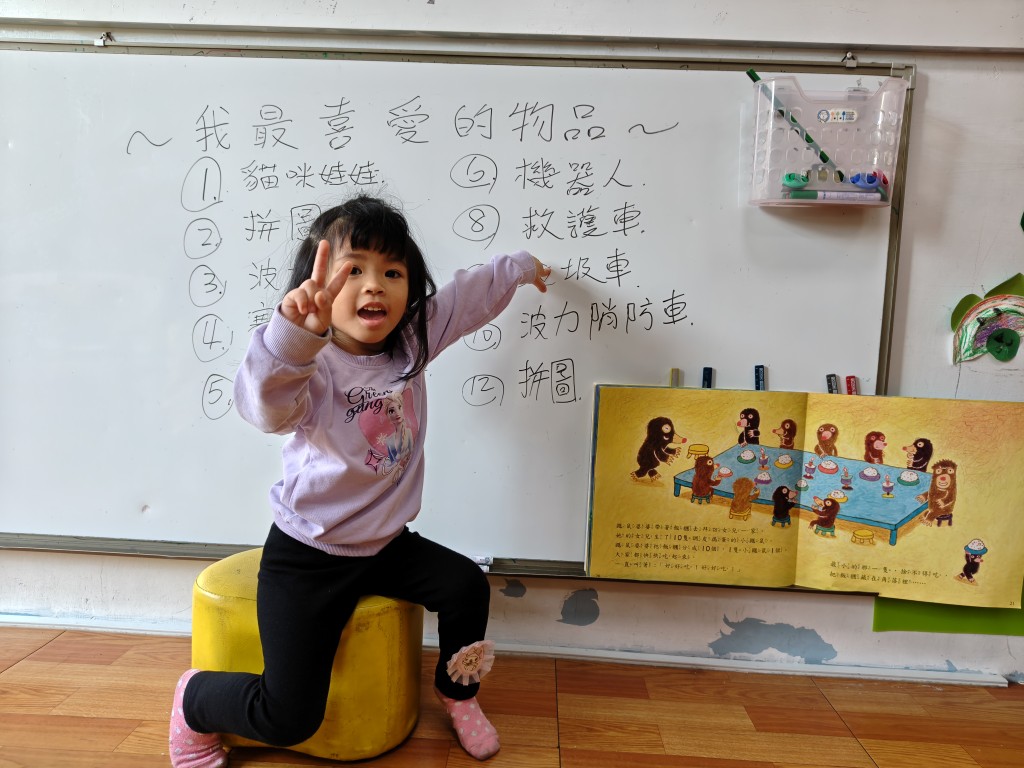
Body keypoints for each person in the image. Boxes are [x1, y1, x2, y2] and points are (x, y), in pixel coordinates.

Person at [169, 195, 550, 767]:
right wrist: (292, 339)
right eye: (354, 271)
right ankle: (194, 702)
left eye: (392, 272)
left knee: (467, 587)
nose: (375, 286)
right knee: (290, 715)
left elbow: (466, 297)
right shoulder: (310, 365)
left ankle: (458, 692)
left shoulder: (413, 342)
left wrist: (520, 266)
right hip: (308, 555)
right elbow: (264, 410)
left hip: (386, 545)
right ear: (318, 285)